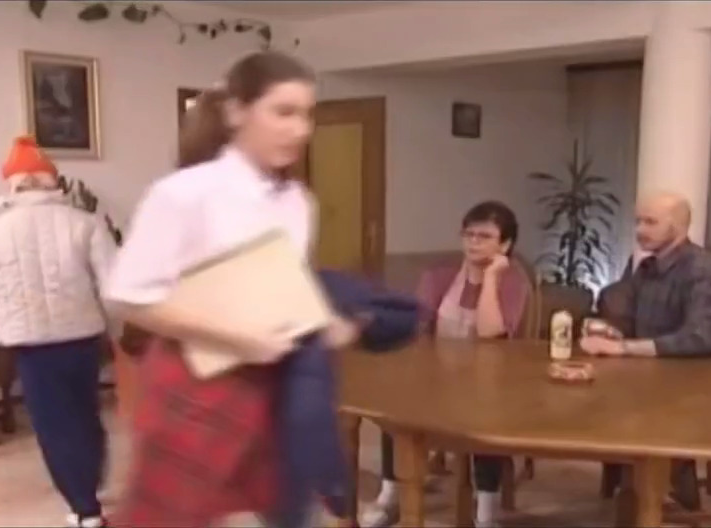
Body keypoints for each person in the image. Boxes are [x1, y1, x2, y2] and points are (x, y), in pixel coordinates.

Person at [104, 51, 357, 528]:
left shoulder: (299, 202)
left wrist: (324, 321)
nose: (300, 129)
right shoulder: (183, 193)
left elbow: (285, 287)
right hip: (193, 390)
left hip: (273, 392)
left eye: (308, 115)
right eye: (284, 112)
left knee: (288, 513)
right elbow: (129, 297)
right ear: (238, 111)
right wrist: (236, 339)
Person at [0, 136, 114, 528]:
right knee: (85, 413)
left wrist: (6, 323)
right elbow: (112, 285)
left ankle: (85, 508)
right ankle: (90, 484)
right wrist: (111, 325)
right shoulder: (85, 224)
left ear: (11, 184)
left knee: (53, 425)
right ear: (53, 180)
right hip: (82, 338)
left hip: (31, 348)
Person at [362, 201, 531, 528]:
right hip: (437, 377)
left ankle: (486, 514)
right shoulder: (438, 276)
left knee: (489, 416)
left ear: (505, 245)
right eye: (469, 234)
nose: (473, 242)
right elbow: (418, 329)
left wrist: (491, 278)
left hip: (490, 381)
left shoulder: (512, 282)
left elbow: (490, 332)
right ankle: (390, 495)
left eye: (485, 236)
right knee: (395, 408)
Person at [581, 190, 711, 511]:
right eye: (638, 221)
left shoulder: (702, 268)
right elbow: (631, 322)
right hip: (655, 372)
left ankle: (659, 494)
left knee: (622, 396)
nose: (640, 229)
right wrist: (609, 331)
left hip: (694, 379)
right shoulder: (647, 267)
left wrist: (623, 348)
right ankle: (633, 488)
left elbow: (700, 338)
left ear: (677, 227)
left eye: (650, 222)